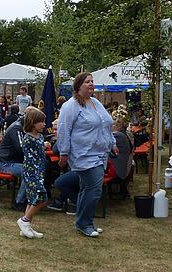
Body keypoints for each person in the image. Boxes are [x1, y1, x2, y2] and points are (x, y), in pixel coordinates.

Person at [57, 72, 116, 238]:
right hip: (83, 154)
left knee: (86, 187)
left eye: (92, 81)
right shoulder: (70, 106)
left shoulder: (95, 102)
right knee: (94, 187)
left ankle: (83, 222)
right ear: (78, 86)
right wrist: (64, 152)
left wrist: (112, 143)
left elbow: (106, 124)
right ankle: (85, 223)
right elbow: (63, 129)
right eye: (87, 82)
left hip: (100, 153)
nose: (91, 84)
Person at [16, 106, 48, 239]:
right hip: (32, 172)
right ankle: (24, 221)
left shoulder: (39, 136)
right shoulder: (29, 139)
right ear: (33, 123)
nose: (44, 124)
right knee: (42, 199)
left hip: (39, 171)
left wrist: (44, 144)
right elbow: (30, 155)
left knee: (32, 199)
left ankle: (27, 226)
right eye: (41, 122)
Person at [0, 113, 27, 207]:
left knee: (38, 167)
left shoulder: (20, 127)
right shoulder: (16, 128)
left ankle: (32, 197)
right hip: (4, 163)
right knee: (30, 171)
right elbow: (20, 148)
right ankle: (19, 202)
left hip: (11, 161)